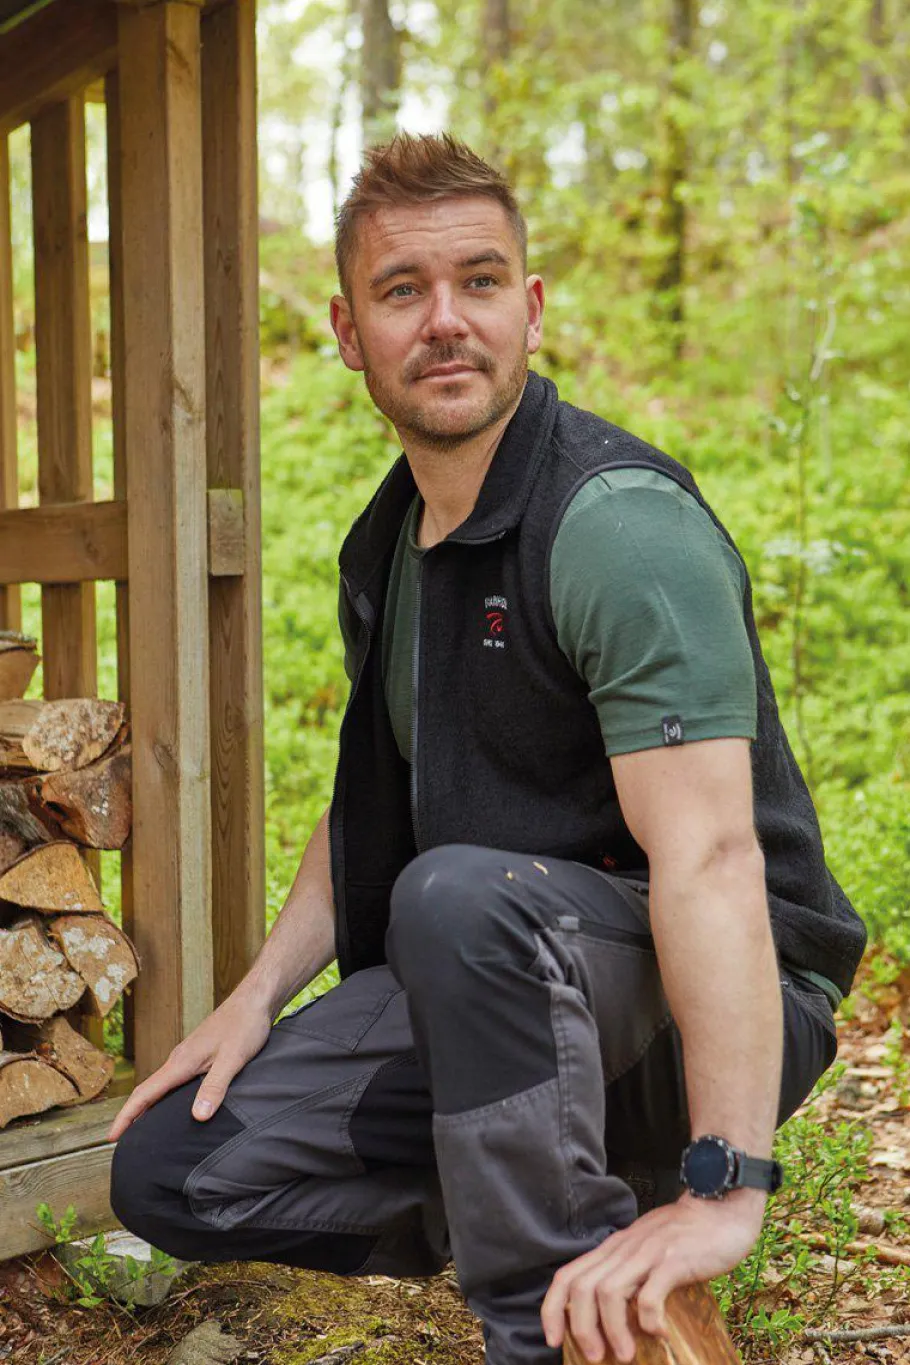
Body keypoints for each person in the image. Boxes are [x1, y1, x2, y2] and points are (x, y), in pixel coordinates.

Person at [108, 134, 866, 1365]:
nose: (445, 321)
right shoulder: (391, 541)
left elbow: (715, 860)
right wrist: (251, 1002)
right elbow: (370, 803)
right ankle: (585, 1239)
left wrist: (727, 1185)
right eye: (402, 291)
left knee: (458, 897)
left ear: (532, 308)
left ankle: (546, 1333)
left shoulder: (615, 526)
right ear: (349, 332)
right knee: (176, 1171)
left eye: (479, 280)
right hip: (500, 986)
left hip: (714, 1003)